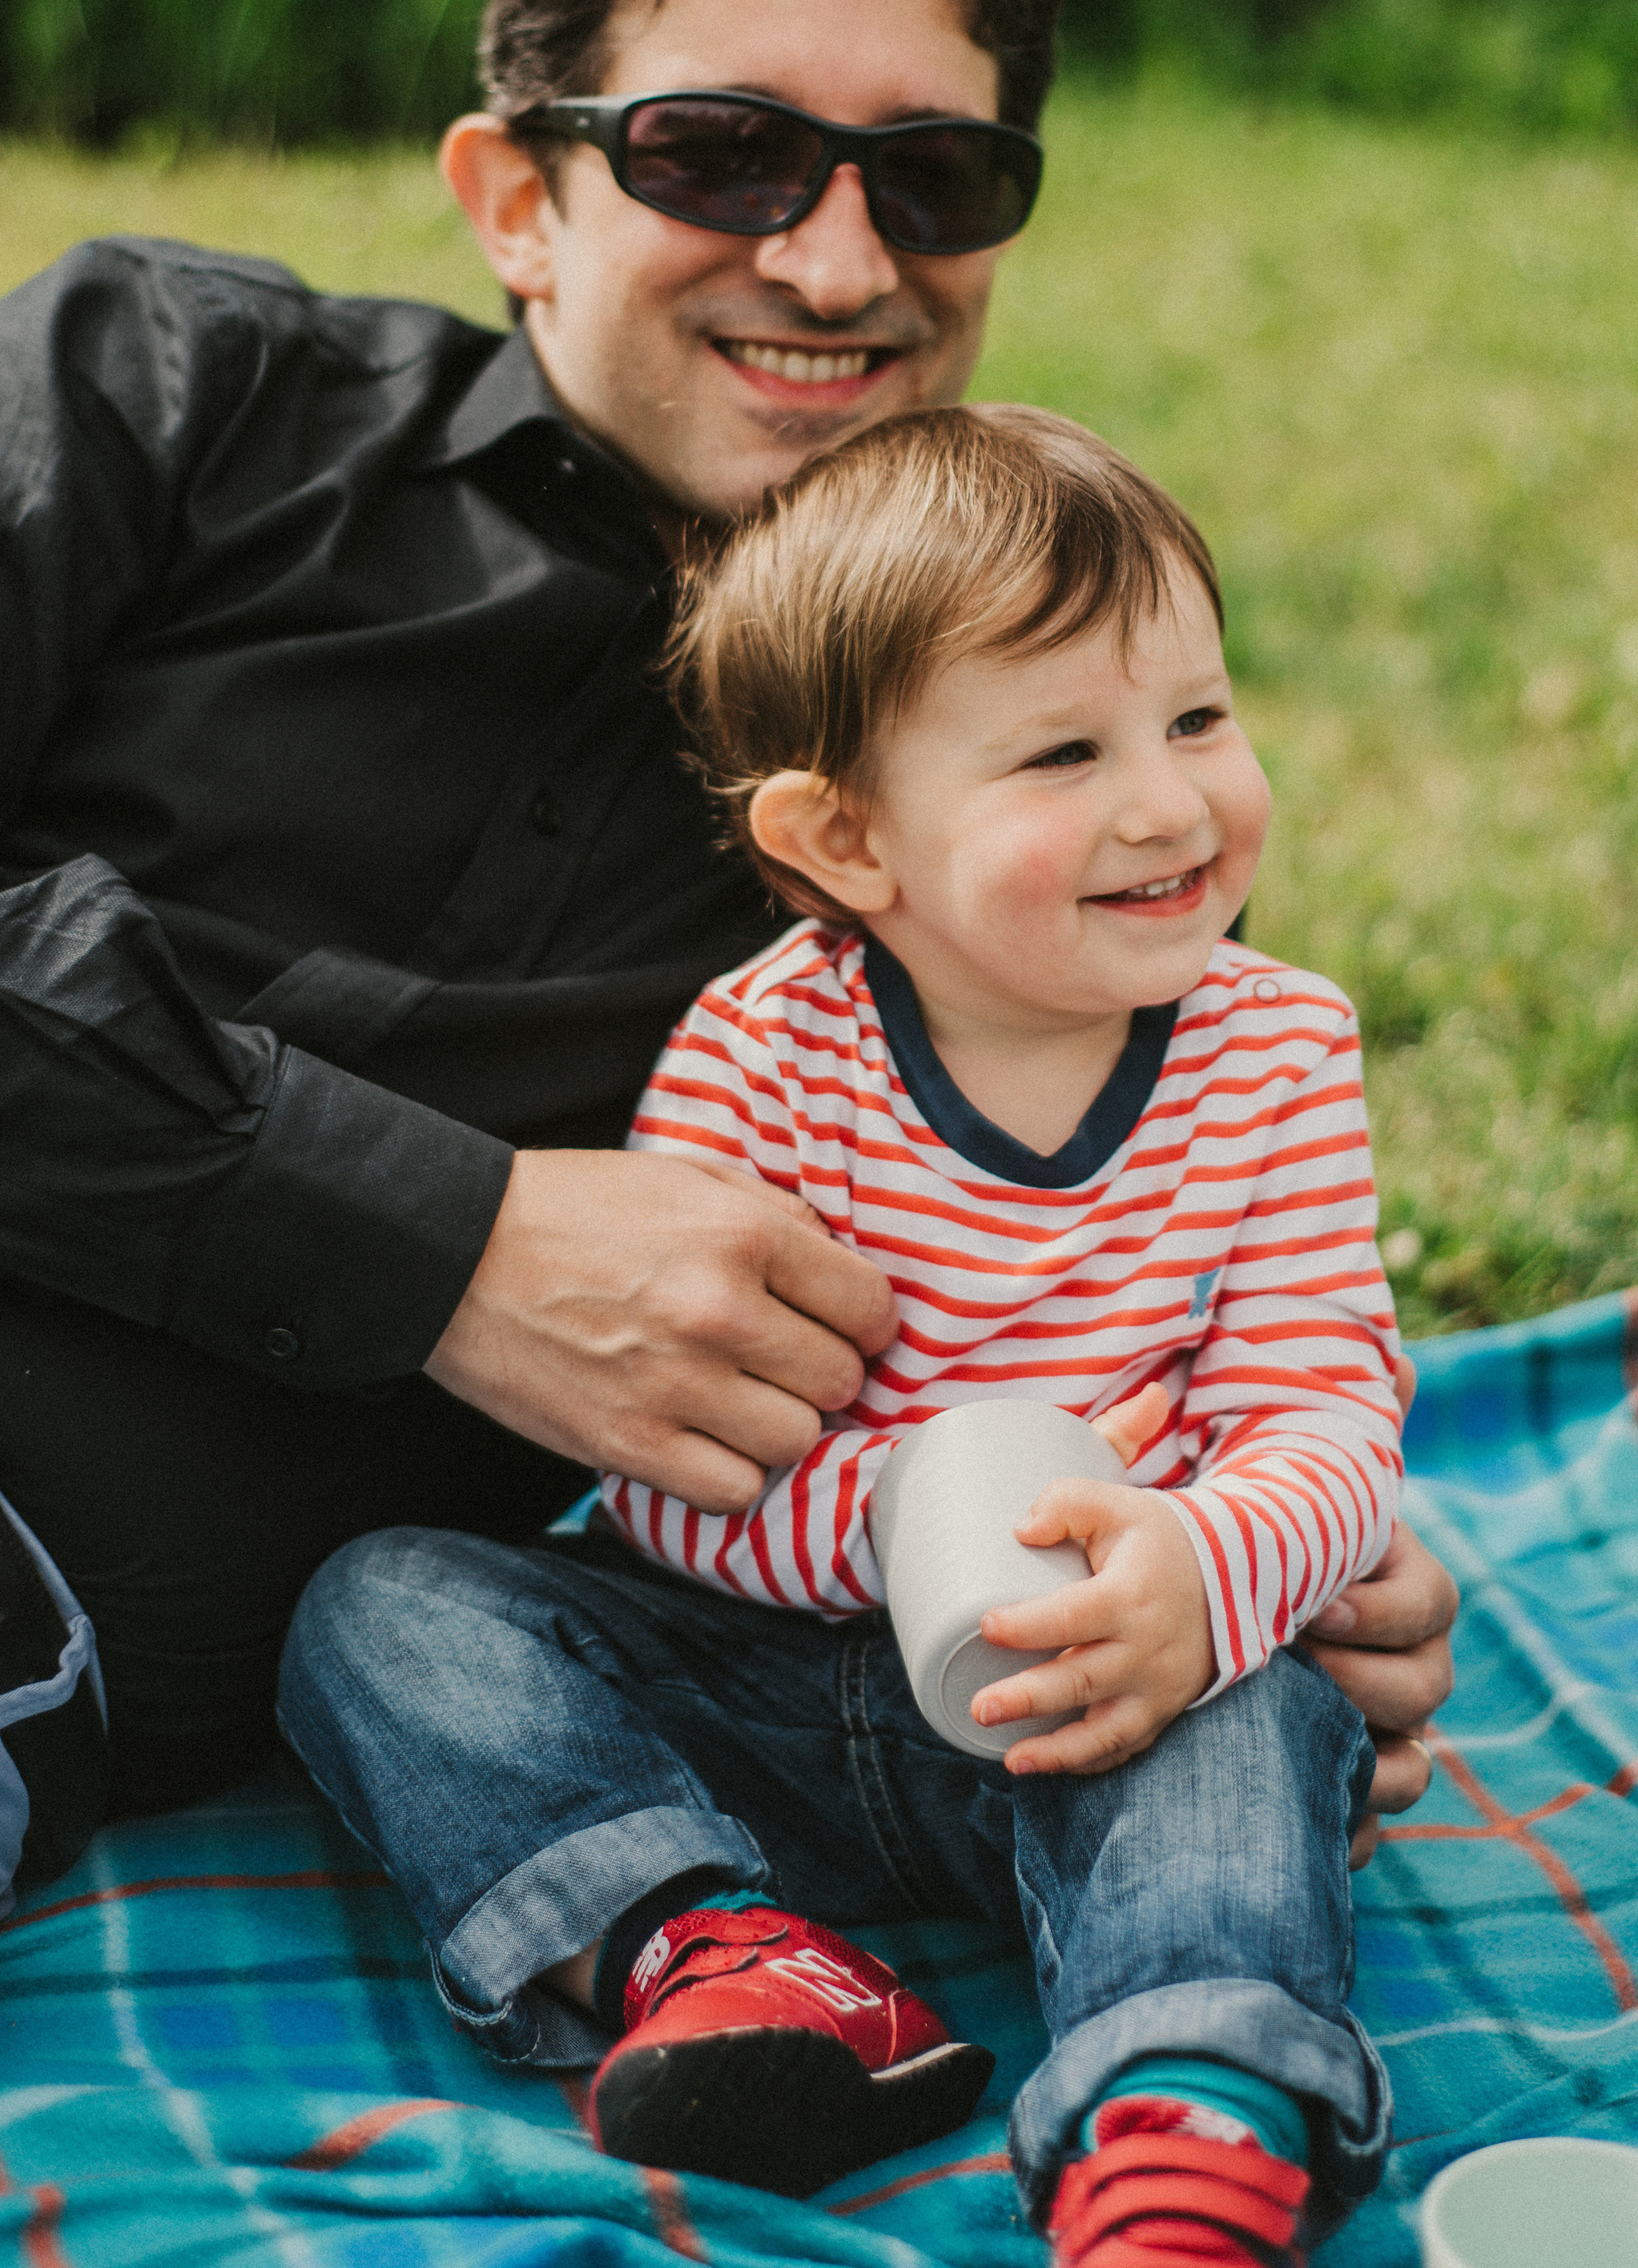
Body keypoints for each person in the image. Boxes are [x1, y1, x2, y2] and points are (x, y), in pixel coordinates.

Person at [0, 0, 1454, 1839]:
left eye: (934, 176)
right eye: (722, 150)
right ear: (518, 197)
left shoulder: (994, 832)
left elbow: (1127, 1313)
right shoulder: (172, 387)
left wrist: (1256, 1564)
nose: (845, 268)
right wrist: (453, 1244)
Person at [280, 404, 1402, 2268]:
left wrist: (1202, 1574)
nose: (1167, 802)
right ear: (845, 838)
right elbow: (666, 1464)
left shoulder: (1272, 1051)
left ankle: (1188, 2102)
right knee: (386, 1602)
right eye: (1065, 751)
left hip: (1102, 1692)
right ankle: (719, 1951)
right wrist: (886, 1518)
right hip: (763, 1690)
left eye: (1197, 718)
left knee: (1259, 1715)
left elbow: (1326, 1410)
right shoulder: (763, 1057)